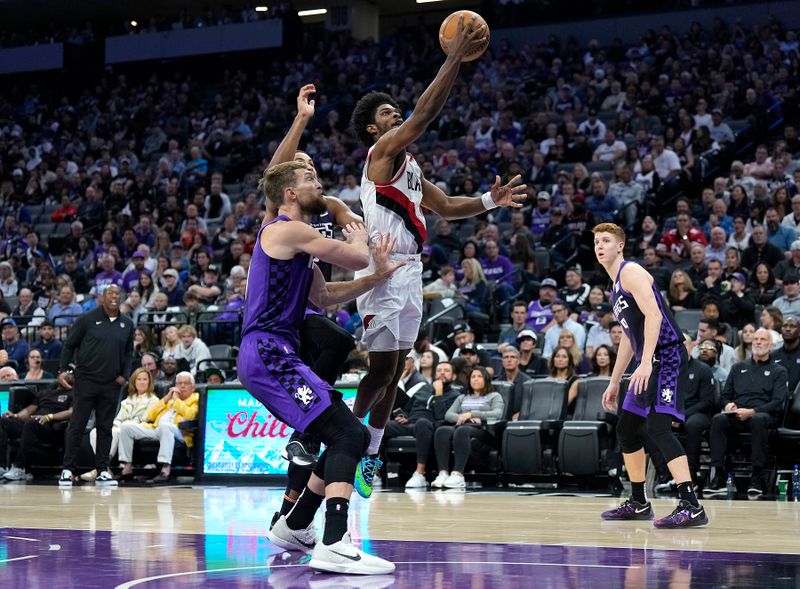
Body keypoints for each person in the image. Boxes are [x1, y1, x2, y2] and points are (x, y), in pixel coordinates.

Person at [349, 17, 525, 501]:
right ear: (373, 127)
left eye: (395, 111)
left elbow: (447, 207)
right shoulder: (380, 154)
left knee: (397, 369)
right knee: (381, 371)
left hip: (411, 273)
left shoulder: (410, 168)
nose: (396, 115)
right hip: (383, 270)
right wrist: (453, 58)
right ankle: (335, 433)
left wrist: (491, 201)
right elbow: (422, 118)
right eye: (388, 113)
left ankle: (371, 451)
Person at [239, 161, 403, 574]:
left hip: (277, 353)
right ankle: (333, 542)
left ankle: (294, 526)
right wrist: (360, 232)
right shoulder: (287, 229)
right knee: (349, 431)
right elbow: (354, 255)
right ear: (290, 194)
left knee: (340, 436)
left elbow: (326, 296)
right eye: (310, 180)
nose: (320, 185)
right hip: (268, 352)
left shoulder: (296, 246)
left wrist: (375, 278)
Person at [593, 222, 707, 528]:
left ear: (620, 245)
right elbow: (630, 337)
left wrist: (645, 364)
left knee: (658, 428)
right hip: (649, 360)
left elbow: (655, 315)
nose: (599, 246)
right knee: (627, 429)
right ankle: (639, 502)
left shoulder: (631, 272)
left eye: (605, 240)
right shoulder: (615, 285)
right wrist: (615, 380)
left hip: (667, 355)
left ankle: (691, 505)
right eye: (596, 242)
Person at [58, 284, 134, 487]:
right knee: (77, 424)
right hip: (86, 381)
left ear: (121, 298)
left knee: (105, 427)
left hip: (111, 384)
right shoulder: (87, 319)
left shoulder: (127, 324)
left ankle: (102, 470)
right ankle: (68, 469)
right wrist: (62, 370)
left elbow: (128, 353)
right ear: (102, 297)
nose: (114, 296)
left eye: (118, 294)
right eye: (110, 293)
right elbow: (69, 345)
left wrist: (124, 376)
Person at [705, 328, 787, 496]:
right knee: (718, 419)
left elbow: (778, 402)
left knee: (759, 420)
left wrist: (753, 411)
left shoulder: (779, 371)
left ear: (770, 345)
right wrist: (728, 405)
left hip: (763, 415)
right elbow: (725, 396)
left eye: (763, 339)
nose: (758, 342)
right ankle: (718, 474)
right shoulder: (738, 368)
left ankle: (756, 476)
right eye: (755, 339)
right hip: (737, 415)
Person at [385, 361, 464, 489]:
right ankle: (374, 472)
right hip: (410, 424)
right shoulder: (424, 389)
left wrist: (439, 393)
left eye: (446, 370)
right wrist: (404, 417)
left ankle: (419, 473)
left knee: (422, 423)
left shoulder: (455, 395)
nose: (442, 373)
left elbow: (442, 416)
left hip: (431, 427)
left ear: (454, 376)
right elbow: (408, 408)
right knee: (382, 427)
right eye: (439, 370)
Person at [117, 370, 199, 484]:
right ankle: (127, 467)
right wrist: (166, 398)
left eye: (186, 383)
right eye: (179, 383)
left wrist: (176, 400)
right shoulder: (169, 399)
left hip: (180, 432)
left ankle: (165, 468)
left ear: (193, 387)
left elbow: (190, 414)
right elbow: (150, 415)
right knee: (126, 427)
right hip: (157, 429)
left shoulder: (195, 398)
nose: (182, 386)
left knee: (166, 426)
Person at [81, 367, 159, 482]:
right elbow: (118, 418)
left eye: (145, 379)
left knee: (119, 431)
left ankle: (102, 467)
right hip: (123, 426)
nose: (142, 382)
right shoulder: (127, 400)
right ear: (134, 382)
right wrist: (115, 424)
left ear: (149, 382)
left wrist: (121, 425)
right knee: (96, 431)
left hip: (140, 428)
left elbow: (145, 419)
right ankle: (104, 468)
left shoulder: (153, 400)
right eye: (139, 379)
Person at [431, 366, 504, 489]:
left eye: (479, 376)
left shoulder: (494, 396)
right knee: (442, 430)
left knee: (462, 430)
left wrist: (472, 414)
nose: (475, 379)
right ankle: (443, 473)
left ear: (486, 379)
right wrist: (463, 417)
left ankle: (458, 474)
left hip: (483, 430)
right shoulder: (462, 397)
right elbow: (448, 415)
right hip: (463, 426)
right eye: (473, 377)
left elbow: (497, 413)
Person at [0, 374, 74, 481]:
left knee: (32, 422)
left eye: (72, 373)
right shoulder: (45, 393)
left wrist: (50, 417)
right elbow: (29, 411)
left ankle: (19, 467)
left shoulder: (74, 393)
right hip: (33, 424)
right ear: (58, 376)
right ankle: (2, 467)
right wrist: (14, 415)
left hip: (53, 428)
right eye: (66, 372)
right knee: (3, 421)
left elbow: (71, 412)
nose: (68, 374)